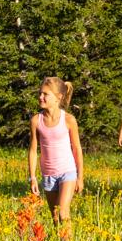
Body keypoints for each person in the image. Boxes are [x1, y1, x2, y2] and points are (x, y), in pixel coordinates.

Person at [27, 76, 84, 222]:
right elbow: (33, 150)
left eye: (45, 94)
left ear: (58, 97)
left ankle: (67, 238)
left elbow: (77, 149)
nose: (40, 97)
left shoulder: (69, 120)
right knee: (55, 217)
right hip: (48, 175)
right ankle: (60, 238)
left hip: (67, 172)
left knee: (62, 213)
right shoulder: (36, 121)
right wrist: (32, 178)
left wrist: (80, 177)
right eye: (40, 93)